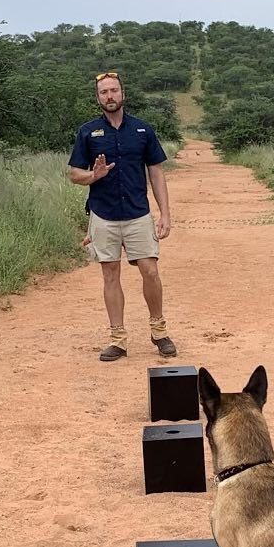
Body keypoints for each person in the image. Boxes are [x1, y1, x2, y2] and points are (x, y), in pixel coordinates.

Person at [67, 71, 177, 362]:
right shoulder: (87, 133)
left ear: (123, 94)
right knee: (110, 274)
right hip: (104, 214)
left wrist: (164, 213)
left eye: (114, 90)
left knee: (150, 271)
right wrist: (94, 175)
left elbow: (155, 171)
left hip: (138, 213)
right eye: (104, 92)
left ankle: (159, 331)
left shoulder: (142, 131)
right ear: (98, 98)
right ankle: (118, 339)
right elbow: (74, 174)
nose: (110, 96)